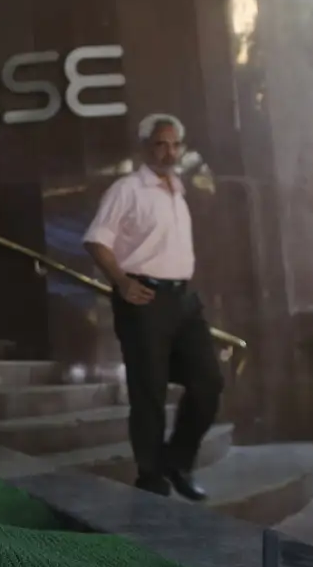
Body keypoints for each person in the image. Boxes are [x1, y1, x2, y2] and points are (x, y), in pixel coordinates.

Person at [83, 113, 224, 499]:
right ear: (145, 147)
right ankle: (150, 478)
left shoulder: (178, 189)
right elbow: (96, 240)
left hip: (184, 300)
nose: (170, 152)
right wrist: (122, 282)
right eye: (161, 144)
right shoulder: (127, 189)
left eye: (176, 145)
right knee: (149, 392)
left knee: (208, 383)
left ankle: (177, 461)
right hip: (143, 299)